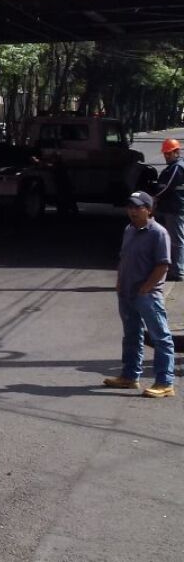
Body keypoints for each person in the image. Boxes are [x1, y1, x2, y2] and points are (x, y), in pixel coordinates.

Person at [101, 192, 176, 398]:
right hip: (126, 292)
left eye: (138, 207)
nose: (133, 211)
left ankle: (165, 383)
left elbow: (163, 265)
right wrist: (119, 282)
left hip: (147, 295)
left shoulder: (158, 233)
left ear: (149, 210)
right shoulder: (129, 230)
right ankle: (130, 377)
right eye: (130, 207)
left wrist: (146, 288)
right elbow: (124, 257)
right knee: (132, 336)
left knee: (161, 338)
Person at [150, 138, 184, 282]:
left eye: (169, 153)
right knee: (169, 238)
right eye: (165, 153)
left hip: (175, 208)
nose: (166, 156)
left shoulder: (177, 167)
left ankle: (177, 271)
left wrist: (154, 198)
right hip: (171, 207)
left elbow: (167, 187)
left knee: (176, 240)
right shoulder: (173, 166)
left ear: (177, 152)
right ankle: (171, 267)